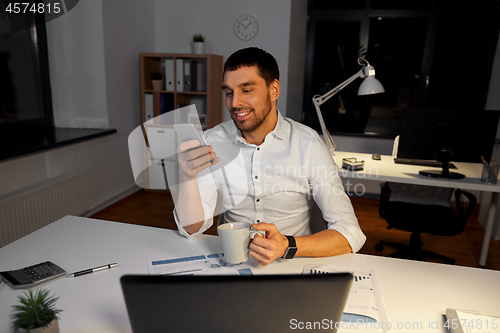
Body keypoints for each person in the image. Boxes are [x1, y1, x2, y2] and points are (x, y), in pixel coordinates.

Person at [174, 47, 366, 266]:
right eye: (229, 92)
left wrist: (287, 245)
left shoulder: (308, 145)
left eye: (246, 90)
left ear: (274, 90)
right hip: (231, 264)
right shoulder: (211, 142)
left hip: (292, 263)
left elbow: (350, 233)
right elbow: (191, 229)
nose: (235, 103)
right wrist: (187, 178)